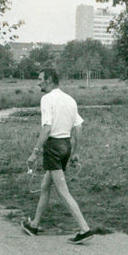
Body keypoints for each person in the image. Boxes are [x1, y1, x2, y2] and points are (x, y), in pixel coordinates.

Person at [22, 68, 93, 244]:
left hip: (53, 147)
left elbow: (46, 128)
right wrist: (76, 152)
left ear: (50, 80)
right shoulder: (69, 99)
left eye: (41, 79)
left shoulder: (46, 99)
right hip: (66, 146)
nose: (39, 82)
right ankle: (34, 225)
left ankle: (84, 229)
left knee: (63, 191)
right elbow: (78, 127)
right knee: (46, 185)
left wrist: (35, 152)